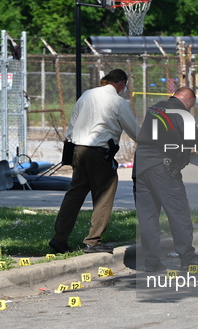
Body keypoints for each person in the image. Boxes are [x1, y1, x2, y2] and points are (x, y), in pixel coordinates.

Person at [49, 69, 137, 254]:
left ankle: (59, 238)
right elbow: (134, 130)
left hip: (78, 150)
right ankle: (93, 241)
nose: (124, 89)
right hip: (99, 152)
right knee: (104, 194)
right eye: (125, 86)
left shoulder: (87, 95)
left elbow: (72, 124)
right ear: (121, 82)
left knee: (75, 194)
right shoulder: (117, 101)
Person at [134, 87, 198, 271]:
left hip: (141, 166)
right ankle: (188, 258)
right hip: (163, 168)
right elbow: (196, 142)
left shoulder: (155, 108)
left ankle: (152, 262)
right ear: (187, 101)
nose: (190, 110)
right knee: (179, 213)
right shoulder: (181, 113)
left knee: (148, 217)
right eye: (191, 106)